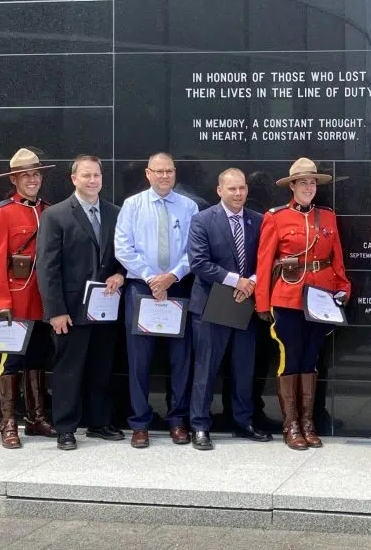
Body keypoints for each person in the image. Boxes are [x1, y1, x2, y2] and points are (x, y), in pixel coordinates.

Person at [254, 158, 350, 451]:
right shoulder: (276, 217)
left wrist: (343, 288)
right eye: (303, 183)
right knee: (290, 359)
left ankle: (308, 424)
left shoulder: (328, 217)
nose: (309, 187)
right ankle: (291, 425)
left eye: (313, 183)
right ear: (292, 186)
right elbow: (265, 261)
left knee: (310, 360)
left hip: (320, 299)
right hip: (287, 298)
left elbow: (336, 259)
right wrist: (262, 302)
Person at [36, 155, 126, 450]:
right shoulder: (56, 215)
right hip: (71, 310)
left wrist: (120, 274)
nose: (92, 181)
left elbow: (124, 254)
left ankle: (99, 422)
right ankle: (65, 427)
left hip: (106, 306)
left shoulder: (115, 213)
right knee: (69, 370)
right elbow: (47, 267)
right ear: (73, 179)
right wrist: (56, 311)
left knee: (102, 367)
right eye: (86, 175)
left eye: (96, 175)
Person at [114, 152, 199, 448]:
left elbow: (194, 250)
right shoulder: (133, 205)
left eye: (169, 171)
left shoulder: (189, 206)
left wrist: (171, 277)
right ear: (148, 173)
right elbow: (123, 248)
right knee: (139, 361)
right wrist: (152, 278)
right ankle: (140, 423)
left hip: (177, 288)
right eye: (159, 171)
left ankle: (177, 420)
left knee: (180, 360)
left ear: (175, 174)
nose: (164, 176)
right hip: (141, 288)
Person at [0, 149, 57, 448]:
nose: (33, 180)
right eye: (26, 175)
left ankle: (36, 418)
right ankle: (9, 422)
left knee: (37, 359)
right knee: (9, 362)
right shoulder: (0, 213)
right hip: (15, 301)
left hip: (43, 302)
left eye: (36, 174)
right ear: (14, 179)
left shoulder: (49, 209)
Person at [188, 168, 270, 449]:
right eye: (232, 189)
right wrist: (238, 281)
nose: (238, 194)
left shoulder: (258, 221)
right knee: (206, 368)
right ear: (219, 190)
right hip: (211, 304)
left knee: (243, 368)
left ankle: (243, 420)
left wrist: (253, 282)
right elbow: (198, 262)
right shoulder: (202, 220)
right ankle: (199, 425)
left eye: (242, 188)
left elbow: (266, 259)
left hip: (243, 306)